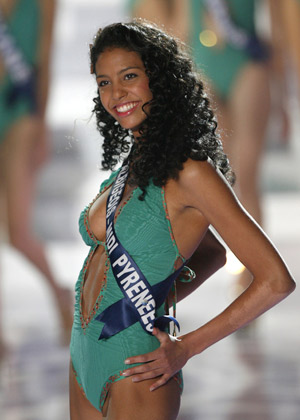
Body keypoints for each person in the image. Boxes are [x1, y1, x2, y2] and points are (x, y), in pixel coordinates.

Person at [69, 20, 295, 420]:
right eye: (104, 82)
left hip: (136, 367)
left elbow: (276, 280)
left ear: (160, 79)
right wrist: (154, 297)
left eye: (130, 76)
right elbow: (211, 253)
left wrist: (186, 345)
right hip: (84, 351)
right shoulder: (134, 162)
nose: (116, 93)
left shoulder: (191, 171)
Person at [0, 0, 73, 347]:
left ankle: (58, 292)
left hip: (19, 110)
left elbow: (45, 58)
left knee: (18, 231)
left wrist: (42, 124)